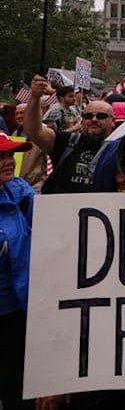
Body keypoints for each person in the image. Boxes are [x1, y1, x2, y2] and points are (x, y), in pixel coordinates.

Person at [24, 75, 117, 194]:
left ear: (113, 121)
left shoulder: (119, 150)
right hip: (60, 205)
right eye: (88, 116)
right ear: (82, 120)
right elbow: (34, 131)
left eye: (101, 116)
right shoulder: (67, 142)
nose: (94, 119)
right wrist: (35, 97)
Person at [0, 133, 37, 410]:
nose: (9, 161)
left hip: (15, 314)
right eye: (0, 156)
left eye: (10, 154)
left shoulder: (19, 192)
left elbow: (56, 224)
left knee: (17, 391)